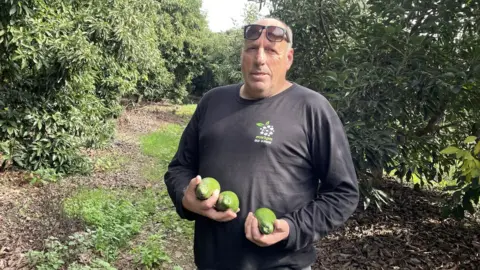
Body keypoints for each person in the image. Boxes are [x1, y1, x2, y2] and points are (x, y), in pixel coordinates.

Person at [164, 17, 359, 270]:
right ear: (242, 54)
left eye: (271, 51)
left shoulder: (312, 108)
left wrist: (293, 227)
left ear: (288, 58)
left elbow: (343, 193)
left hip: (282, 265)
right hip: (212, 262)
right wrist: (184, 197)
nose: (260, 59)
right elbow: (180, 167)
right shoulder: (213, 102)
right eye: (252, 49)